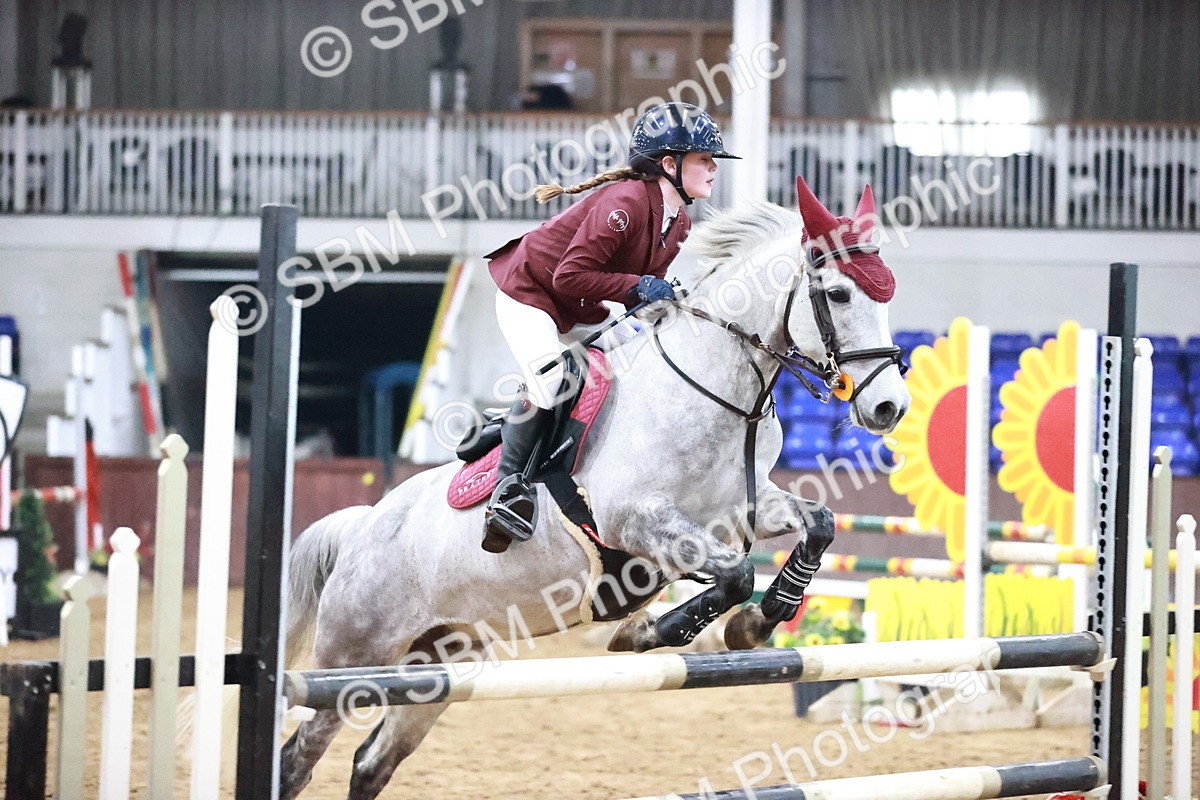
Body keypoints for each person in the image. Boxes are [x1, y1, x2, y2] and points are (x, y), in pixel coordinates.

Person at [480, 101, 739, 553]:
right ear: (669, 164)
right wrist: (640, 286)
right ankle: (507, 491)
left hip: (583, 306)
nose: (714, 168)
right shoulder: (624, 204)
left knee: (638, 367)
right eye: (704, 158)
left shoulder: (680, 222)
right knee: (553, 379)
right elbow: (568, 275)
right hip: (531, 294)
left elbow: (628, 293)